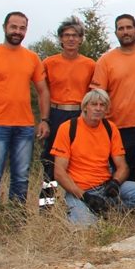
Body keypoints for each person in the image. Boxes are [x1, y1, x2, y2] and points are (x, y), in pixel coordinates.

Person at [0, 11, 50, 219]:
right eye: (13, 27)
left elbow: (43, 90)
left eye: (22, 28)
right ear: (5, 27)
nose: (17, 31)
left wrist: (44, 120)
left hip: (24, 127)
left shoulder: (32, 58)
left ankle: (16, 222)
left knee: (21, 178)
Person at [50, 88, 135, 226]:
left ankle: (109, 211)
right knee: (87, 226)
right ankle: (84, 212)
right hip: (80, 191)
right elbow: (59, 172)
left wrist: (115, 183)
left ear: (106, 109)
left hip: (105, 188)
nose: (98, 108)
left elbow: (123, 167)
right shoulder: (68, 128)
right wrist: (85, 196)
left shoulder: (110, 128)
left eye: (102, 105)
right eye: (94, 104)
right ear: (85, 107)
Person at [91, 14, 135, 183]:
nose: (125, 31)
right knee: (126, 174)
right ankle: (129, 204)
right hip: (119, 126)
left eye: (129, 27)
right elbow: (98, 95)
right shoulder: (105, 61)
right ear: (116, 33)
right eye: (121, 28)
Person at [40, 16, 95, 181]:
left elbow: (93, 94)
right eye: (67, 35)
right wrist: (44, 120)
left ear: (81, 39)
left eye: (75, 35)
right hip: (56, 114)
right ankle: (48, 197)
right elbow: (43, 93)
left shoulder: (90, 65)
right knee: (51, 158)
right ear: (60, 39)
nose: (71, 39)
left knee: (80, 156)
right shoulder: (49, 63)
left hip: (80, 115)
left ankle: (77, 195)